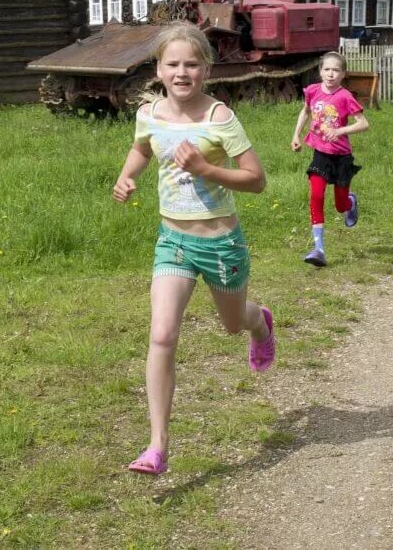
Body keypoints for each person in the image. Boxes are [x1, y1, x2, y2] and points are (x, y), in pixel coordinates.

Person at [112, 23, 275, 476]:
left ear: (205, 69)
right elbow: (142, 149)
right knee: (162, 334)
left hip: (220, 243)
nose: (182, 72)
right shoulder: (149, 113)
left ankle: (259, 322)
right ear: (159, 69)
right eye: (173, 64)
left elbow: (257, 180)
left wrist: (205, 168)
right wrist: (128, 176)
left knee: (231, 324)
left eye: (191, 64)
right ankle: (157, 446)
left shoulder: (220, 118)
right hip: (174, 241)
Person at [291, 51, 369, 266]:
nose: (331, 74)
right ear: (320, 71)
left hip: (341, 157)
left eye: (336, 70)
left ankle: (350, 202)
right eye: (327, 69)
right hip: (320, 154)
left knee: (340, 205)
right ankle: (319, 249)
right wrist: (296, 135)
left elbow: (364, 123)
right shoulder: (313, 91)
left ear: (343, 74)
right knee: (316, 195)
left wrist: (341, 130)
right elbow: (305, 111)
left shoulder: (345, 97)